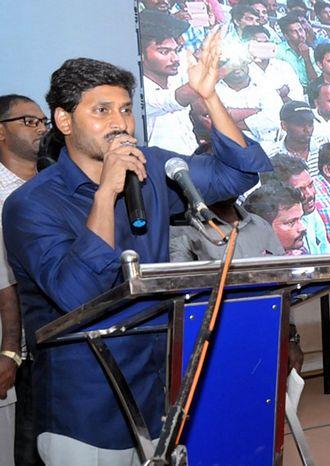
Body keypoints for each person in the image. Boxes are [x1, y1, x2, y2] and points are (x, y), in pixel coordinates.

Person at [2, 33, 271, 462]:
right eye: (102, 110)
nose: (120, 123)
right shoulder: (30, 205)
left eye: (126, 109)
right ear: (65, 120)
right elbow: (79, 296)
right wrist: (106, 194)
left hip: (159, 394)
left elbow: (242, 173)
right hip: (85, 411)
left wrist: (209, 97)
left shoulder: (154, 167)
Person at [0, 94, 47, 466]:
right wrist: (11, 350)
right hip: (20, 353)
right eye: (29, 121)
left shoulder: (58, 185)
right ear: (1, 132)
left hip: (64, 339)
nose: (42, 128)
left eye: (43, 120)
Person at [138, 10, 199, 155]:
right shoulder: (137, 91)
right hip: (159, 174)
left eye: (176, 51)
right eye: (164, 52)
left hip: (191, 163)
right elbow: (172, 99)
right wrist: (221, 72)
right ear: (141, 56)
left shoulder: (176, 81)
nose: (175, 58)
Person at [267, 156, 330, 255]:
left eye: (311, 185)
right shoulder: (271, 225)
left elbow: (328, 256)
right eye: (300, 189)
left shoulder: (312, 214)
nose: (310, 194)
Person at [243, 25, 306, 104]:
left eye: (266, 42)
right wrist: (280, 94)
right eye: (259, 43)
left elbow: (297, 96)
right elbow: (250, 101)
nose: (264, 46)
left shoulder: (283, 66)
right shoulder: (243, 70)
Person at [244, 181, 309, 254]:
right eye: (291, 222)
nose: (303, 227)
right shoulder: (246, 262)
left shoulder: (300, 253)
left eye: (301, 219)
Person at [272, 101, 317, 175]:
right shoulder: (271, 156)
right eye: (300, 124)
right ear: (284, 125)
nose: (307, 129)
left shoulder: (326, 146)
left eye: (310, 124)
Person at [275, 13, 317, 88]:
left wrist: (307, 58)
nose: (300, 34)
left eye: (301, 30)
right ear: (286, 36)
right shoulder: (278, 52)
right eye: (294, 32)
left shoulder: (310, 51)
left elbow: (315, 80)